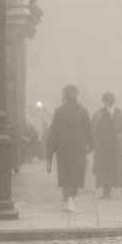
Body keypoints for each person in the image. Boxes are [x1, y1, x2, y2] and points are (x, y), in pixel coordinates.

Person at [46, 85, 92, 213]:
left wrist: (49, 156)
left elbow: (52, 134)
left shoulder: (61, 111)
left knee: (68, 176)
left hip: (65, 150)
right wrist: (90, 146)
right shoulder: (81, 111)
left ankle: (69, 199)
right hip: (75, 149)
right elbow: (89, 131)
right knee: (74, 175)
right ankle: (70, 199)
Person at [92, 92, 122, 197]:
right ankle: (106, 192)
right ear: (104, 101)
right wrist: (96, 142)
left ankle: (108, 191)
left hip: (115, 147)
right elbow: (92, 130)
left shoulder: (120, 114)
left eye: (110, 100)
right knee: (103, 170)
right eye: (107, 100)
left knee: (113, 169)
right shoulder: (98, 114)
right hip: (102, 147)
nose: (109, 102)